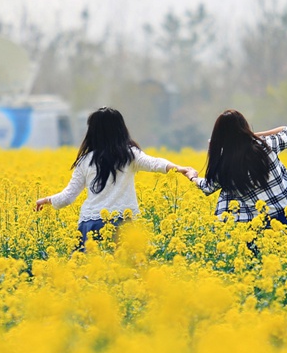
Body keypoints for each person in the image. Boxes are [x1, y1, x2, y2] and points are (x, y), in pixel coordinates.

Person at [35, 106, 197, 247]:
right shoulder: (128, 155)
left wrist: (46, 200)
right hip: (123, 224)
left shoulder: (85, 161)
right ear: (121, 129)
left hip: (91, 225)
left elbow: (68, 197)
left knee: (91, 276)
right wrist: (180, 169)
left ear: (92, 131)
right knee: (124, 275)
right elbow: (155, 163)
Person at [186, 109, 287, 226]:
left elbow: (207, 187)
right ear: (244, 127)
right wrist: (254, 135)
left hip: (260, 226)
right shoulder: (266, 145)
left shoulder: (224, 166)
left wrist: (192, 178)